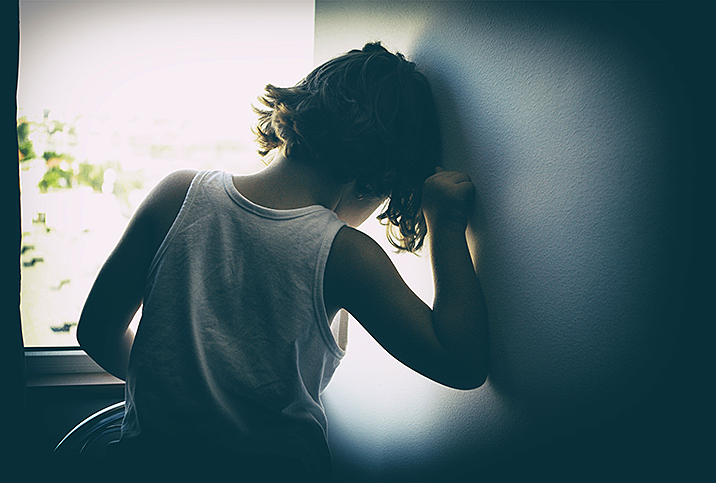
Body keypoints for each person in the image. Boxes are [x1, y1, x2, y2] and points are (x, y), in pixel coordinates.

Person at [77, 42, 488, 481]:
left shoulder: (177, 194)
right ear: (378, 179)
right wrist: (445, 226)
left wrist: (177, 393)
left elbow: (96, 332)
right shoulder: (344, 252)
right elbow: (461, 364)